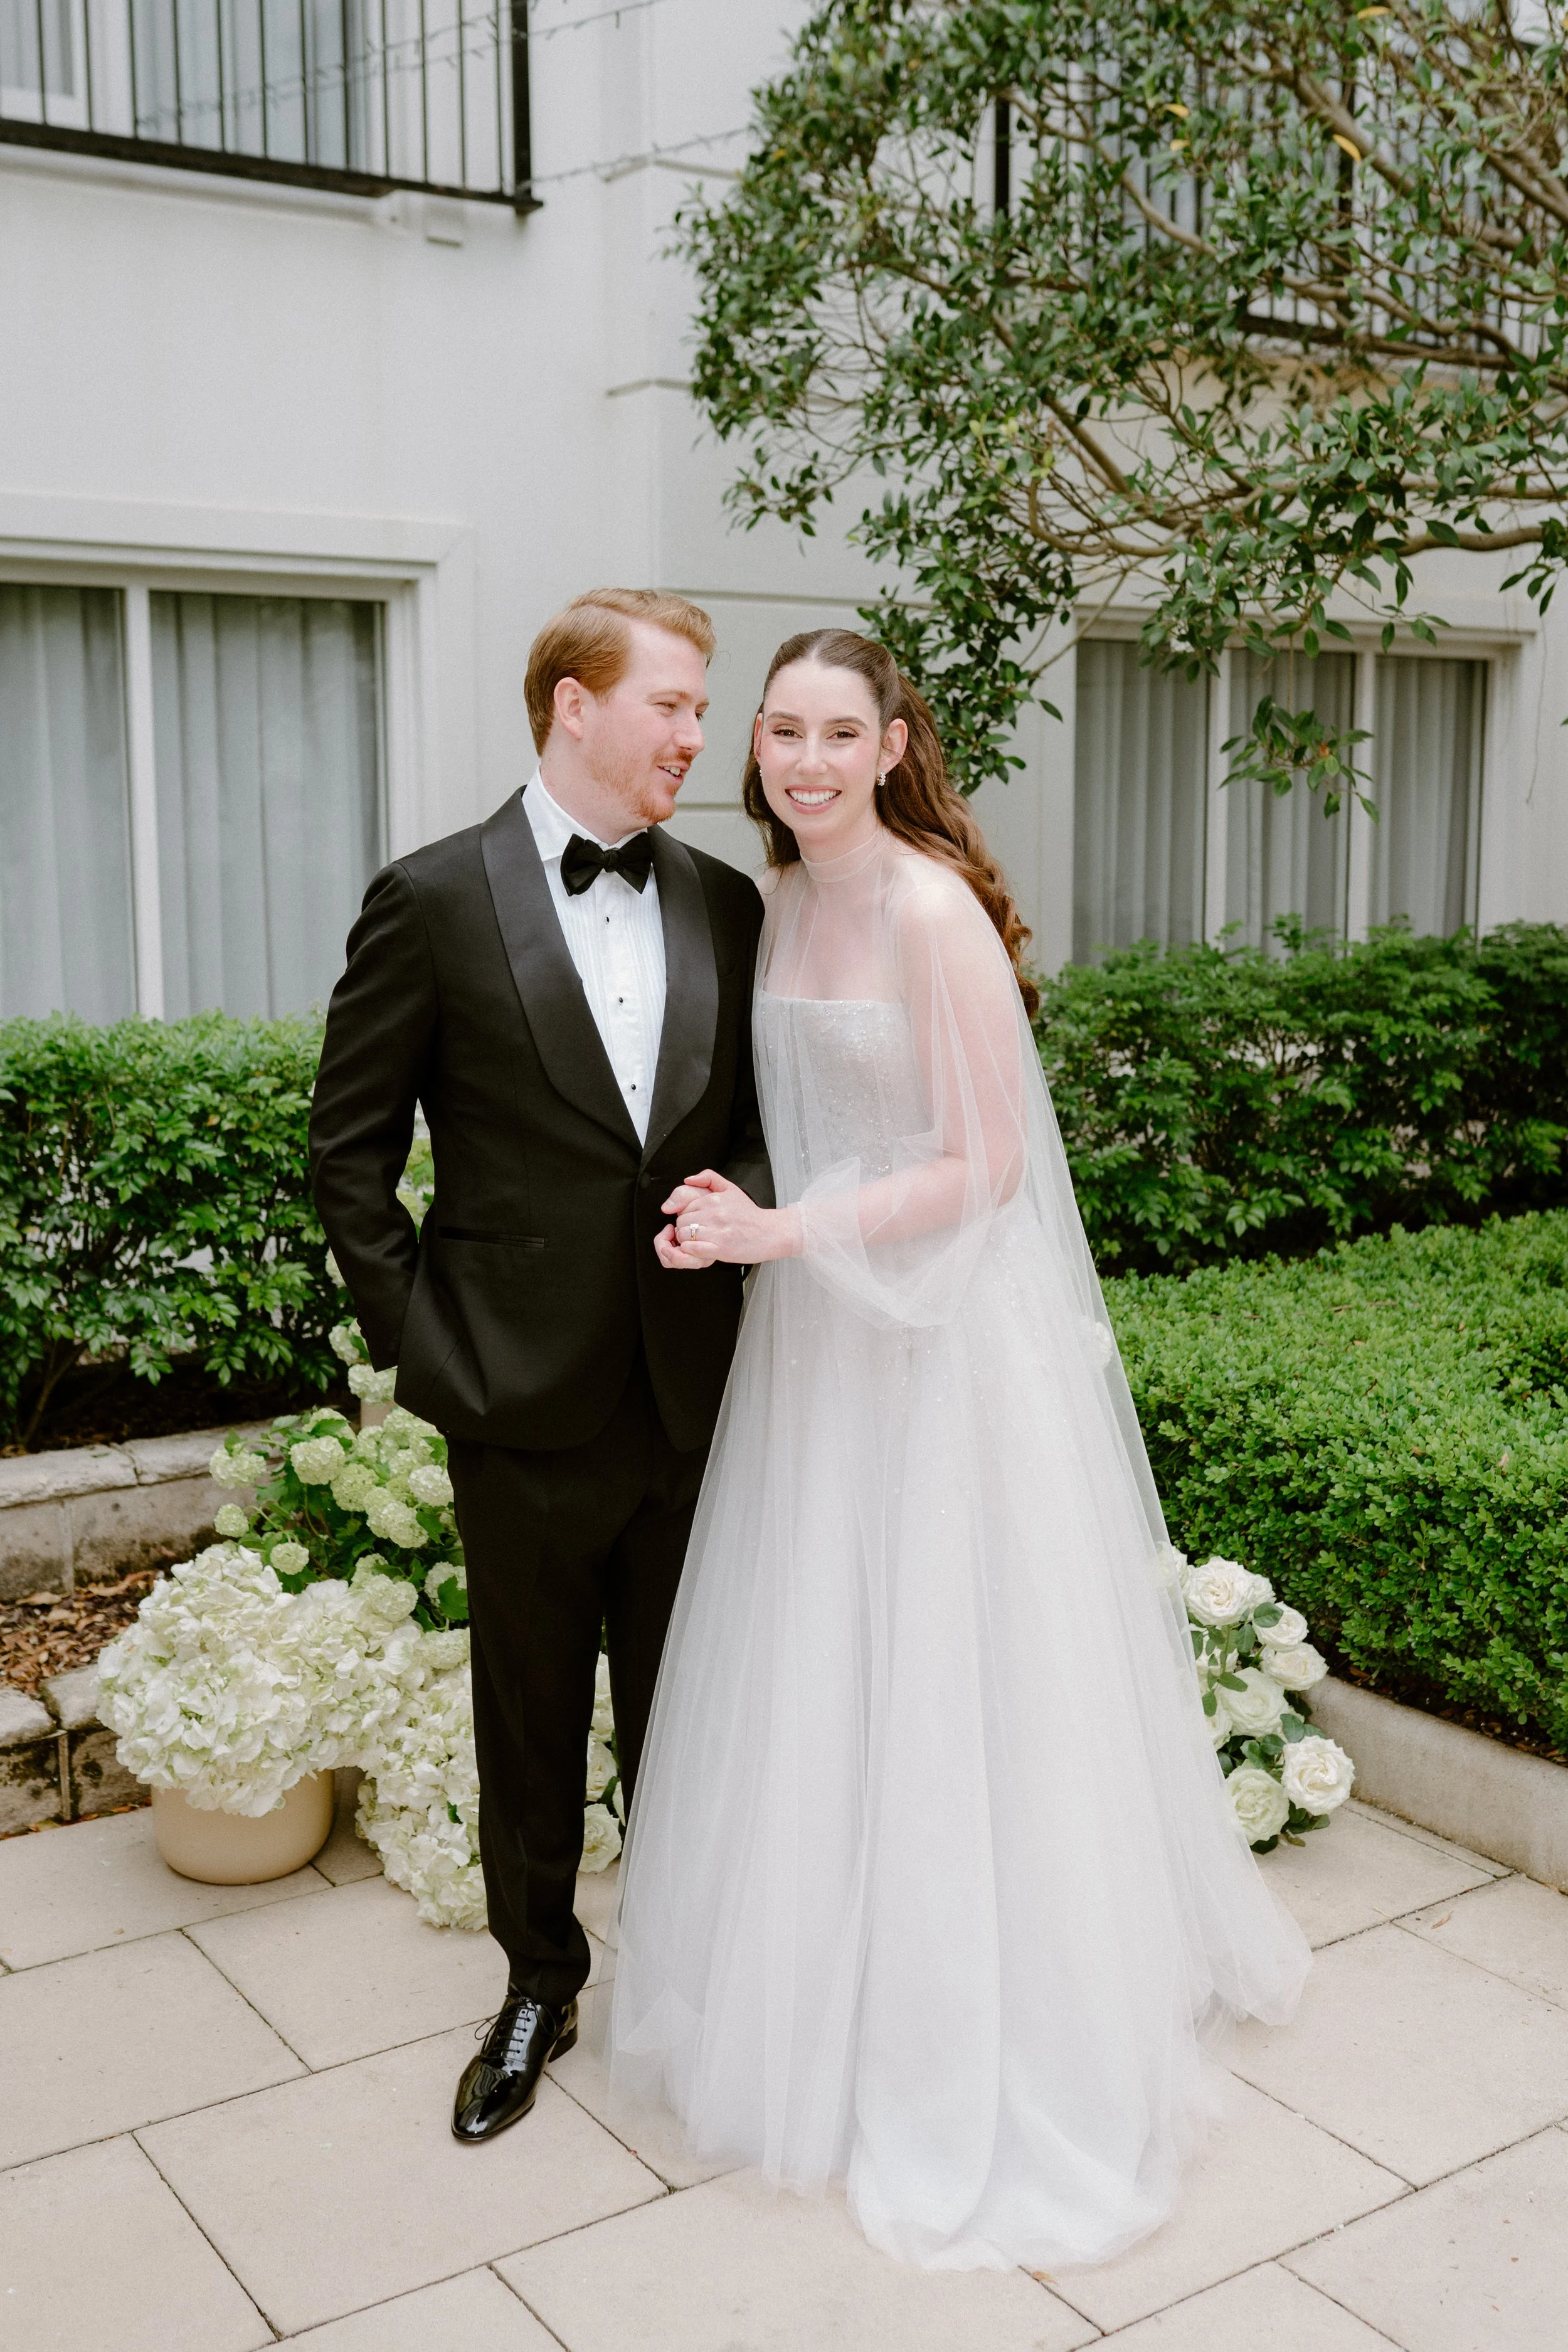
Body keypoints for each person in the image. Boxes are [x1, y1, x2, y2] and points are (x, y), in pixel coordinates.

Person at [607, 628, 1310, 2271]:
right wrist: (738, 1214)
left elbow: (988, 1162)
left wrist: (788, 1224)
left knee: (955, 1659)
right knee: (821, 1649)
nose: (801, 757)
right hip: (812, 1326)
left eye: (836, 730)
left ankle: (987, 2016)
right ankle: (824, 1991)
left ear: (892, 739)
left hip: (932, 1332)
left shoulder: (927, 908)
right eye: (777, 728)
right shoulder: (766, 900)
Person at [309, 588, 772, 2144]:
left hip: (694, 1397)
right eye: (673, 705)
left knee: (688, 1713)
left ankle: (698, 1992)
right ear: (574, 705)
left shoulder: (724, 901)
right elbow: (350, 1158)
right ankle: (536, 1985)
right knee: (525, 1718)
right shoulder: (432, 899)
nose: (697, 737)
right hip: (512, 1403)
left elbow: (754, 1137)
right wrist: (422, 1349)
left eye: (703, 709)